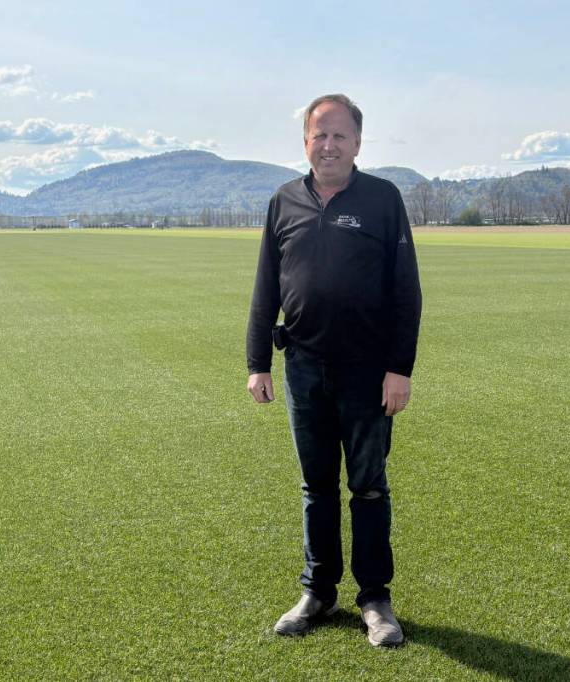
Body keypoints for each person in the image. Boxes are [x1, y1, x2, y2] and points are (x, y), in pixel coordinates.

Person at [245, 93, 422, 647]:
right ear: (305, 142)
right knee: (316, 485)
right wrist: (257, 362)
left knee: (368, 486)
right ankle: (318, 590)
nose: (329, 145)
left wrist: (399, 368)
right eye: (320, 135)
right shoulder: (284, 202)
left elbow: (406, 290)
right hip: (302, 366)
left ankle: (375, 600)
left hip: (368, 373)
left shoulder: (383, 199)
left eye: (340, 135)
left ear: (358, 143)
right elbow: (266, 286)